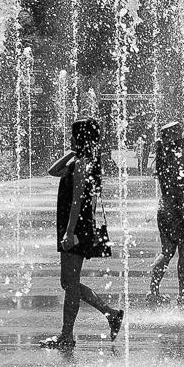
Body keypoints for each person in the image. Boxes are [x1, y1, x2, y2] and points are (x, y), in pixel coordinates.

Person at [43, 119, 124, 349]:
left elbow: (77, 202)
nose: (70, 138)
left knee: (70, 284)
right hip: (72, 227)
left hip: (75, 228)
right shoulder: (79, 161)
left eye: (73, 135)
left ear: (80, 137)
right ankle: (110, 314)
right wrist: (71, 151)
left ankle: (67, 335)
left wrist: (70, 232)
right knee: (68, 283)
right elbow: (53, 171)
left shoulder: (82, 164)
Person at [147, 120, 184, 300]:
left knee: (167, 251)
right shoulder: (179, 156)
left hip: (165, 207)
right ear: (177, 141)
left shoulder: (163, 158)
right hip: (182, 207)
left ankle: (153, 291)